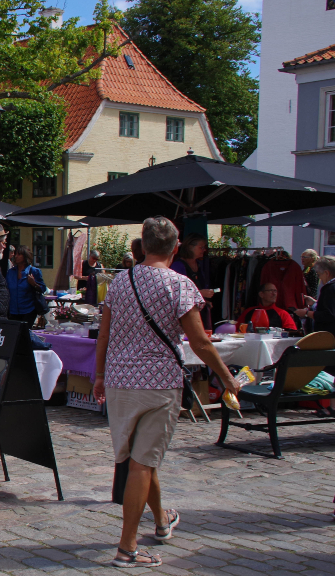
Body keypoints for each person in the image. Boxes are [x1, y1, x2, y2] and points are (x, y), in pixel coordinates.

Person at [92, 216, 239, 569]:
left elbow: (104, 335)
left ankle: (160, 520)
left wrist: (98, 375)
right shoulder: (179, 285)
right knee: (143, 463)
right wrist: (227, 378)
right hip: (158, 382)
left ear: (142, 245)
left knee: (140, 457)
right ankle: (127, 548)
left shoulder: (120, 282)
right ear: (176, 248)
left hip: (119, 381)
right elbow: (200, 342)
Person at [6, 245, 46, 327]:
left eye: (19, 254)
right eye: (15, 254)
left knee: (24, 335)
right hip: (12, 310)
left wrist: (33, 284)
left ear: (25, 256)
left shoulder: (34, 271)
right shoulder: (11, 272)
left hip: (28, 310)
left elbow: (43, 289)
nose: (15, 256)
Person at [295, 256, 335, 333]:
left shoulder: (330, 288)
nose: (320, 278)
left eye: (319, 275)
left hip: (329, 336)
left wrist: (306, 313)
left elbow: (329, 315)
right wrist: (315, 303)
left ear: (327, 273)